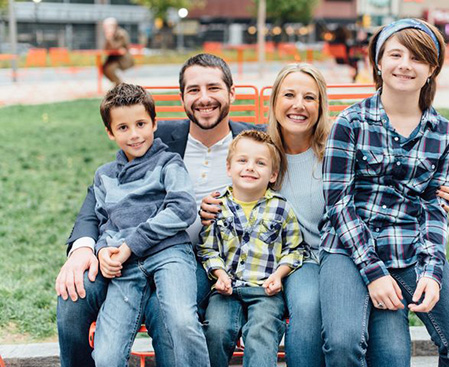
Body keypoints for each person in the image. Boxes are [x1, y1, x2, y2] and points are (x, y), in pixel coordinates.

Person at [200, 62, 449, 367]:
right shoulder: (260, 155)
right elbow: (230, 179)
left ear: (322, 105)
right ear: (273, 102)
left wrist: (436, 192)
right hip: (291, 261)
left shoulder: (338, 147)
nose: (299, 105)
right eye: (289, 95)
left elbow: (387, 185)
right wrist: (209, 204)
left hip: (347, 252)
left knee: (385, 347)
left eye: (309, 98)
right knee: (310, 310)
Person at [55, 53, 262, 367]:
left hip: (193, 259)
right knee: (74, 295)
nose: (204, 98)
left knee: (168, 314)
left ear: (232, 93)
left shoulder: (254, 144)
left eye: (213, 88)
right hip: (125, 254)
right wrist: (84, 247)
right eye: (194, 90)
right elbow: (99, 197)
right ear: (182, 98)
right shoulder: (152, 136)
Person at [318, 18, 449, 367]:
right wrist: (374, 272)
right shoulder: (350, 123)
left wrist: (432, 272)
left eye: (417, 58)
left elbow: (436, 210)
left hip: (409, 244)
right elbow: (338, 203)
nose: (405, 65)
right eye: (395, 55)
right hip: (348, 247)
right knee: (344, 343)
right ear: (378, 62)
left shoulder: (445, 134)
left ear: (431, 69)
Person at [90, 83, 209, 367]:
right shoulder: (104, 176)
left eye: (141, 124)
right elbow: (104, 222)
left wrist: (131, 243)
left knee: (182, 322)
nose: (134, 135)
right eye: (123, 127)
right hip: (125, 266)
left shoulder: (170, 163)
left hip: (170, 255)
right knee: (106, 356)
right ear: (110, 132)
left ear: (155, 123)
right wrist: (103, 250)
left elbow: (183, 208)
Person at [198, 130, 304, 367]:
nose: (250, 168)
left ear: (273, 174)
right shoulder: (217, 205)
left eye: (260, 163)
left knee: (261, 333)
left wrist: (279, 275)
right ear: (229, 167)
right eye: (242, 160)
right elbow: (208, 249)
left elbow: (295, 248)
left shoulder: (281, 209)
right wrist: (220, 274)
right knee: (216, 328)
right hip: (227, 290)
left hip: (265, 291)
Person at [102, 17, 134, 86]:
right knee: (104, 68)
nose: (105, 29)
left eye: (106, 27)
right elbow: (106, 48)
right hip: (114, 58)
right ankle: (118, 85)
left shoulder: (121, 34)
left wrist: (110, 38)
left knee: (109, 69)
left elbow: (116, 47)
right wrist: (109, 38)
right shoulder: (110, 34)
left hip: (123, 59)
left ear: (113, 26)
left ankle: (120, 85)